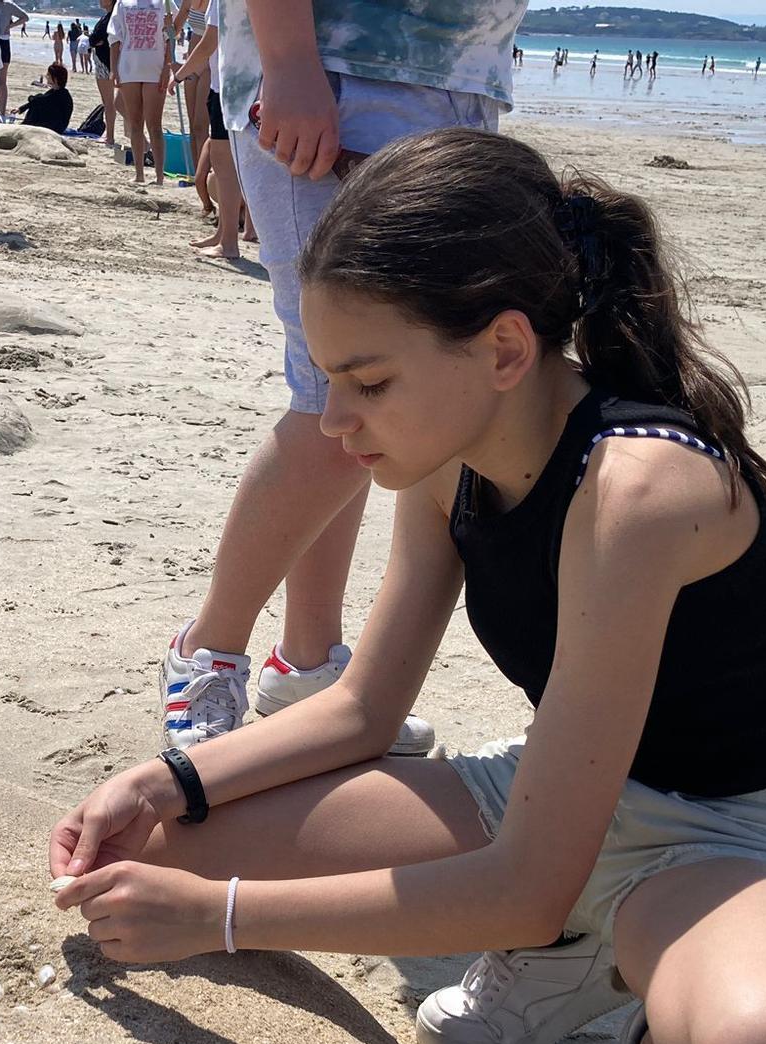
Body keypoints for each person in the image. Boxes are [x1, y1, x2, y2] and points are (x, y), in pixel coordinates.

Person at [51, 126, 766, 1044]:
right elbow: (361, 713)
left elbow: (524, 883)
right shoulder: (446, 459)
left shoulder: (640, 489)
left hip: (727, 831)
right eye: (328, 379)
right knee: (168, 847)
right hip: (559, 788)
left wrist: (222, 920)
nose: (335, 424)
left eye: (367, 382)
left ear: (501, 348)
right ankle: (578, 956)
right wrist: (165, 778)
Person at [155, 0, 526, 758]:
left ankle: (307, 663)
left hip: (450, 75)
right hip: (343, 71)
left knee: (391, 409)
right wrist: (289, 58)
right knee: (344, 399)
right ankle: (208, 648)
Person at [173, 0, 241, 260]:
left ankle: (229, 243)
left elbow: (208, 43)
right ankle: (223, 235)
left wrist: (179, 75)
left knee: (225, 170)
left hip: (228, 87)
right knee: (226, 168)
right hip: (228, 84)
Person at [109, 0, 163, 186]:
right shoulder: (123, 3)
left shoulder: (163, 2)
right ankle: (139, 173)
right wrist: (114, 69)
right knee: (135, 122)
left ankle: (159, 176)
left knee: (154, 125)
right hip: (129, 68)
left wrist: (167, 68)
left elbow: (170, 34)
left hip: (155, 69)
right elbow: (115, 38)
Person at [16, 56, 70, 130]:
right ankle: (26, 123)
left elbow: (37, 99)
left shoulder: (61, 94)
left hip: (57, 126)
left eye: (48, 75)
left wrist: (31, 98)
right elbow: (40, 99)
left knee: (37, 104)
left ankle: (27, 124)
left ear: (55, 78)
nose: (46, 76)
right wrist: (21, 108)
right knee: (38, 102)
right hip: (53, 122)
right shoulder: (55, 90)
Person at [88, 0, 114, 145]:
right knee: (108, 102)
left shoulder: (110, 18)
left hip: (105, 64)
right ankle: (109, 134)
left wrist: (95, 41)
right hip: (102, 62)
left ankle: (109, 136)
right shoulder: (107, 17)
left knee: (109, 102)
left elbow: (96, 38)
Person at [0, 0, 23, 115]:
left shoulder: (1, 4)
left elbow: (25, 17)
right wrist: (9, 26)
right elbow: (24, 17)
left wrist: (9, 26)